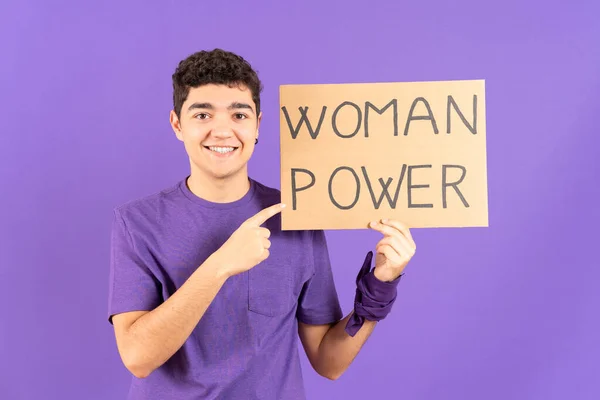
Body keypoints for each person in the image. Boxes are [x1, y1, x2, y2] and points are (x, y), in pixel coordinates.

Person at [108, 48, 417, 400]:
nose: (222, 131)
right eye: (203, 114)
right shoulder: (137, 222)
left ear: (257, 125)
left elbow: (329, 361)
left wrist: (381, 284)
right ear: (178, 124)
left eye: (239, 114)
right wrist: (220, 266)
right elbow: (137, 357)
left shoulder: (297, 215)